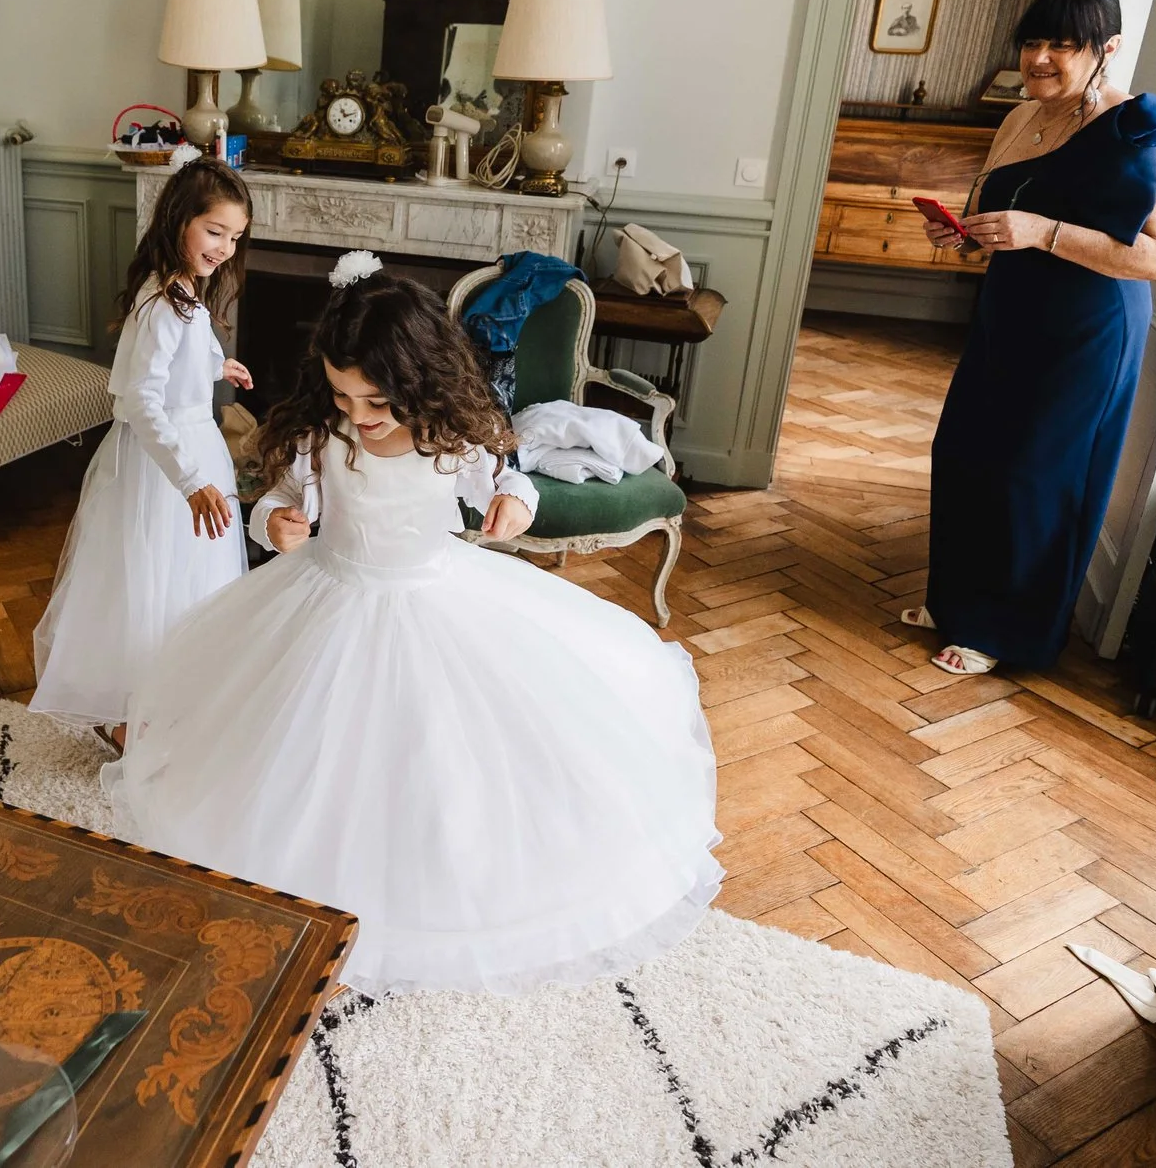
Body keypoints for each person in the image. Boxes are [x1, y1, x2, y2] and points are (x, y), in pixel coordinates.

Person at [105, 258, 723, 996]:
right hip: (327, 597)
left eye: (375, 399)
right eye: (342, 393)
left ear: (418, 380)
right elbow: (272, 501)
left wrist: (516, 505)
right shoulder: (322, 436)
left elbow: (511, 479)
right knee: (310, 755)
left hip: (437, 594)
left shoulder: (449, 436)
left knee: (439, 757)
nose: (359, 413)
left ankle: (430, 884)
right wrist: (278, 521)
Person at [913, 0, 1156, 676]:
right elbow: (996, 207)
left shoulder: (1143, 131)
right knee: (967, 452)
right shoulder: (1020, 116)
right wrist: (967, 236)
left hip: (1087, 330)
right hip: (1009, 313)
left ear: (1108, 50)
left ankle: (1006, 632)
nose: (1038, 58)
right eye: (1031, 42)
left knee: (1035, 477)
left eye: (1060, 46)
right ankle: (955, 600)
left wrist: (1043, 232)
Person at [30, 156, 253, 734]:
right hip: (166, 463)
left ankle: (168, 698)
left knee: (188, 581)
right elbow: (142, 399)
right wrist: (188, 480)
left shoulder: (185, 292)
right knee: (152, 584)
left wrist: (216, 364)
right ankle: (130, 713)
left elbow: (179, 362)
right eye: (214, 231)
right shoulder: (161, 305)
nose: (225, 247)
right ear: (180, 221)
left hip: (194, 446)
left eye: (235, 236)